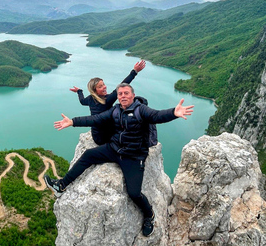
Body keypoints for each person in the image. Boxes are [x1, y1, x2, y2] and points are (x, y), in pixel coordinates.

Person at [45, 83, 194, 237]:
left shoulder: (140, 110)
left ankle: (149, 215)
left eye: (126, 93)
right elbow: (96, 118)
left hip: (133, 156)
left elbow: (157, 115)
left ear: (133, 95)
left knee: (134, 193)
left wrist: (173, 113)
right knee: (88, 155)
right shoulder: (115, 110)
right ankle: (61, 185)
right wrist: (73, 122)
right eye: (120, 93)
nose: (123, 96)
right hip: (114, 149)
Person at [70, 60, 146, 145]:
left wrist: (79, 91)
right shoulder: (107, 100)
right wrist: (134, 72)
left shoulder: (90, 98)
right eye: (100, 86)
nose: (104, 87)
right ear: (95, 91)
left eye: (103, 84)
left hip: (96, 136)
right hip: (107, 137)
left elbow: (82, 101)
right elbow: (122, 85)